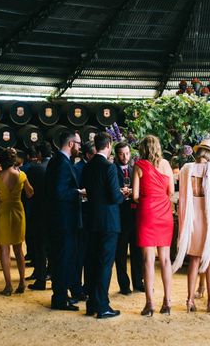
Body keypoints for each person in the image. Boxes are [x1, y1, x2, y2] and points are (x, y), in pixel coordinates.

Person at [173, 138, 210, 314]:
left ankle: (189, 300)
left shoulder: (187, 169)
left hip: (192, 218)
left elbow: (182, 194)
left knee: (194, 260)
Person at [132, 135, 174, 316]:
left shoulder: (139, 165)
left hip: (147, 213)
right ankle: (168, 302)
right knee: (165, 259)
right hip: (164, 214)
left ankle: (149, 304)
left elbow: (134, 195)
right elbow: (171, 191)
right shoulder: (166, 165)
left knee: (148, 260)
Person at [83, 132, 124, 319]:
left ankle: (91, 303)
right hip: (108, 222)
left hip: (91, 220)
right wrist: (124, 193)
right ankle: (103, 306)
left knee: (91, 262)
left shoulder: (88, 166)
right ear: (108, 145)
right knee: (105, 264)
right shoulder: (109, 167)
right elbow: (115, 197)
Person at [45, 130, 84, 311]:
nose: (80, 148)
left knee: (61, 258)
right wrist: (79, 192)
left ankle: (61, 296)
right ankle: (60, 298)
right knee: (63, 259)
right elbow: (59, 193)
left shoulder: (58, 161)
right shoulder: (62, 163)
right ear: (70, 144)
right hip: (64, 221)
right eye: (78, 145)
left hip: (58, 220)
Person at [0, 148, 34, 296]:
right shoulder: (21, 175)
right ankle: (21, 282)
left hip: (3, 211)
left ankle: (8, 285)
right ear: (14, 160)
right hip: (17, 210)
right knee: (19, 249)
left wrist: (0, 195)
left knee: (4, 249)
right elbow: (30, 192)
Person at [114, 142, 144, 295]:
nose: (125, 157)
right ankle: (124, 285)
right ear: (116, 154)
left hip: (134, 216)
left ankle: (138, 283)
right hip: (119, 217)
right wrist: (120, 192)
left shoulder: (134, 170)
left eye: (127, 153)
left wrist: (133, 191)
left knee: (137, 252)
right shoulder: (112, 170)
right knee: (120, 254)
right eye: (121, 154)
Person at [26, 142, 52, 291]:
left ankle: (40, 279)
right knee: (53, 247)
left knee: (40, 247)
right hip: (54, 211)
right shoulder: (57, 165)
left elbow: (29, 193)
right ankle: (52, 274)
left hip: (38, 212)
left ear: (40, 154)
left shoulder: (35, 169)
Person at [73, 140, 96, 300]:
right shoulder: (78, 168)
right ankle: (76, 289)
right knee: (79, 256)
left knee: (89, 255)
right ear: (88, 154)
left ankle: (87, 287)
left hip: (92, 216)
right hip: (81, 216)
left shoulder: (91, 167)